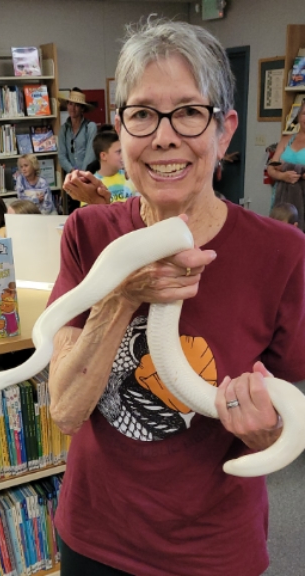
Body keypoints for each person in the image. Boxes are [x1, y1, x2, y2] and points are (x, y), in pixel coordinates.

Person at [47, 18, 305, 576]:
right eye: (142, 114)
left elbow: (286, 407)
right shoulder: (88, 234)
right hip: (95, 539)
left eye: (189, 111)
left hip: (212, 551)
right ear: (121, 131)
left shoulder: (283, 253)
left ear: (225, 130)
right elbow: (66, 411)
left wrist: (266, 431)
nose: (164, 136)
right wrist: (121, 295)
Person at [267, 99, 305, 231]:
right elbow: (271, 167)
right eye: (304, 113)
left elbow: (278, 164)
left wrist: (284, 166)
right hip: (281, 199)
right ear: (299, 115)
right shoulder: (287, 139)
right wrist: (283, 176)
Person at [58, 88, 97, 212]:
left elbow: (91, 154)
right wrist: (73, 172)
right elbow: (62, 156)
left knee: (87, 211)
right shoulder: (64, 129)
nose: (73, 108)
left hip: (87, 177)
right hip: (70, 179)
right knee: (73, 212)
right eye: (70, 104)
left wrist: (81, 176)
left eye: (77, 105)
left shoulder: (90, 127)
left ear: (82, 109)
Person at [90, 131, 135, 203]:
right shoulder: (92, 185)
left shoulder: (130, 177)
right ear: (103, 156)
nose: (123, 155)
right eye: (119, 152)